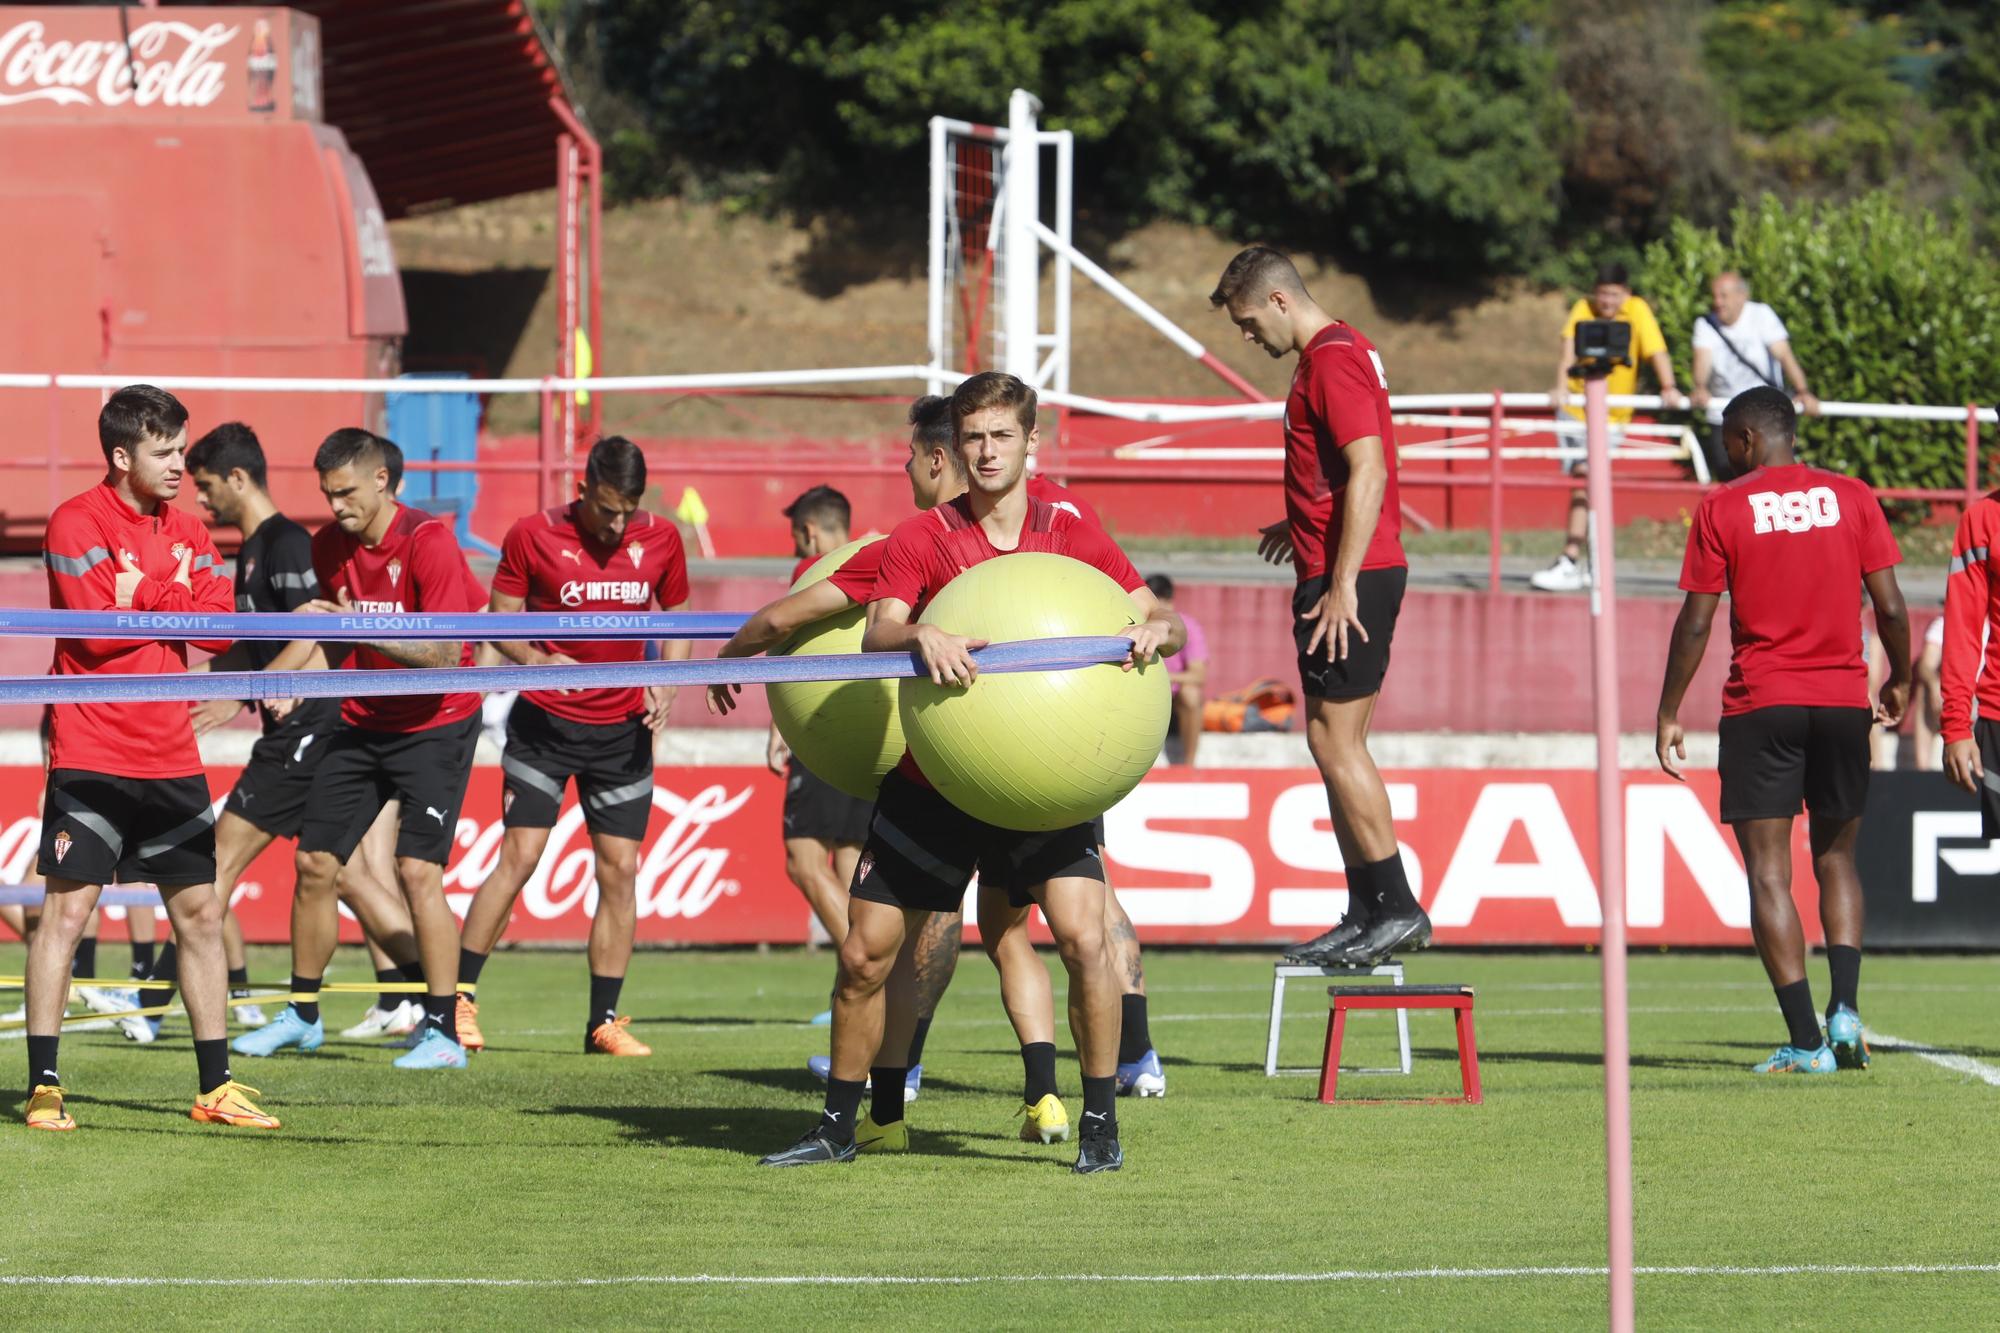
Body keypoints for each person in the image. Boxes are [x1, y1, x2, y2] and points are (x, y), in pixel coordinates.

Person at [760, 372, 1182, 1175]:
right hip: (937, 778)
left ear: (1032, 443)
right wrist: (920, 634)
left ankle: (1100, 1124)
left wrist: (1154, 632)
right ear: (954, 446)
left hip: (1042, 780)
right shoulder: (925, 536)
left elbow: (1167, 619)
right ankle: (840, 1127)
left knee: (1086, 941)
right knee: (863, 956)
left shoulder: (1068, 525)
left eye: (1001, 437)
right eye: (972, 438)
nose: (985, 453)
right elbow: (875, 634)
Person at [26, 384, 277, 1131]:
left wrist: (146, 591)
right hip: (93, 748)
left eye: (180, 450)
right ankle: (44, 1084)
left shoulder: (188, 528)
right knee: (67, 915)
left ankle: (215, 1087)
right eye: (164, 452)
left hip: (170, 750)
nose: (178, 466)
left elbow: (220, 627)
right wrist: (167, 598)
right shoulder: (75, 520)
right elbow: (98, 632)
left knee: (200, 913)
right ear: (121, 454)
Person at [146, 422, 427, 1043]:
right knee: (343, 872)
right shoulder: (253, 551)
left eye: (205, 485)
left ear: (238, 480)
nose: (198, 499)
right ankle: (427, 998)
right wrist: (172, 682)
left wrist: (256, 689)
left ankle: (150, 1001)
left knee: (212, 864)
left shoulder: (289, 546)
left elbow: (319, 633)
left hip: (312, 728)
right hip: (300, 730)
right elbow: (257, 650)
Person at [1655, 386, 1907, 1075]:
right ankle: (1846, 1007)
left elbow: (1698, 620)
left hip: (1762, 703)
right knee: (1837, 858)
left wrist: (1669, 708)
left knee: (1770, 870)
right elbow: (1889, 605)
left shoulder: (1722, 506)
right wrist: (1901, 680)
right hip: (1840, 700)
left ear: (1744, 439)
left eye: (1726, 442)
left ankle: (1806, 1041)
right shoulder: (1853, 496)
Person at [232, 428, 482, 1069]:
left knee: (416, 872)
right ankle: (302, 1015)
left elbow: (443, 653)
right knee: (317, 865)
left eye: (345, 492)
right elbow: (331, 632)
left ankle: (444, 1032)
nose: (335, 505)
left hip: (436, 722)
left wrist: (356, 625)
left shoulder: (429, 542)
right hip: (361, 719)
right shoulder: (328, 545)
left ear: (382, 481)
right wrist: (287, 675)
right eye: (326, 493)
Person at [1211, 245, 1430, 967]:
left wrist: (1341, 580)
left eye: (1248, 323)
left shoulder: (1332, 357)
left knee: (1337, 743)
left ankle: (1395, 906)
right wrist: (1302, 517)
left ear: (1279, 301)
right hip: (1345, 563)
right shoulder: (1339, 352)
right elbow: (1341, 472)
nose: (1248, 339)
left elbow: (1370, 465)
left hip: (1351, 578)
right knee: (1331, 741)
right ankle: (1366, 909)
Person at [453, 436, 690, 1057]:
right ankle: (458, 999)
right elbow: (498, 618)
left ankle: (602, 1022)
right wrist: (536, 659)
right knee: (520, 858)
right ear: (582, 490)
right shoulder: (532, 534)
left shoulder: (661, 538)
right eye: (608, 509)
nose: (618, 525)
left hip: (623, 735)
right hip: (546, 729)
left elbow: (681, 614)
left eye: (629, 510)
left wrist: (668, 682)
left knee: (620, 871)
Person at [770, 485, 875, 979]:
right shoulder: (875, 559)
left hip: (822, 726)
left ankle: (865, 969)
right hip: (875, 725)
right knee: (850, 862)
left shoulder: (810, 575)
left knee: (804, 859)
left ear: (809, 532)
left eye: (796, 537)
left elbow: (789, 642)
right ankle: (857, 995)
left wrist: (779, 725)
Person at [1531, 263, 1687, 592]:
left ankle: (1585, 559)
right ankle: (1576, 558)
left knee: (1591, 481)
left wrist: (1668, 386)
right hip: (1577, 407)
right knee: (1581, 480)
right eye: (1603, 294)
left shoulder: (1638, 311)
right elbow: (1567, 354)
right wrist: (1559, 388)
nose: (1608, 302)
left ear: (1626, 294)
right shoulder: (1582, 309)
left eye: (1615, 295)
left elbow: (1656, 351)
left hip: (1613, 414)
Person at [1690, 272, 1820, 480]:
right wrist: (1700, 387)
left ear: (1742, 296)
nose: (1717, 302)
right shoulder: (1705, 324)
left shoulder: (1761, 315)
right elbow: (1702, 362)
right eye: (1715, 296)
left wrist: (1803, 391)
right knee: (1731, 482)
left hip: (1763, 416)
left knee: (1775, 479)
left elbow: (1784, 355)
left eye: (1723, 296)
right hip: (1724, 415)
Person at [1146, 574, 1207, 766]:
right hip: (1145, 698)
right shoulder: (1138, 625)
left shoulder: (1188, 627)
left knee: (1191, 694)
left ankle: (1188, 765)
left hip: (1174, 703)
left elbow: (1198, 675)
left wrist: (1163, 677)